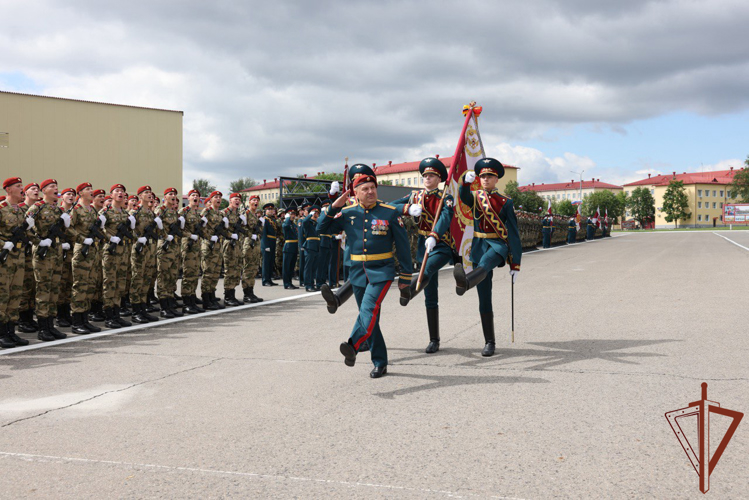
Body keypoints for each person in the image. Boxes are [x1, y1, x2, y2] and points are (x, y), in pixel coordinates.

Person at [317, 164, 413, 378]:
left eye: (373, 188)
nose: (370, 192)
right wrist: (334, 207)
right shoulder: (348, 213)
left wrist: (406, 278)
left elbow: (404, 247)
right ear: (356, 193)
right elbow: (321, 228)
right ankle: (380, 361)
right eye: (365, 189)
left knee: (368, 310)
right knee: (370, 318)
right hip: (358, 272)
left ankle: (352, 345)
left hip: (382, 272)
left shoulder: (389, 212)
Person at [453, 158, 521, 357]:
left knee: (485, 263)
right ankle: (489, 342)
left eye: (489, 176)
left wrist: (515, 263)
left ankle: (465, 281)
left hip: (498, 245)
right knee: (484, 297)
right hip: (478, 244)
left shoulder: (506, 201)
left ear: (496, 179)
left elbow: (514, 234)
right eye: (482, 176)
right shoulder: (474, 197)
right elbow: (463, 195)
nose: (485, 179)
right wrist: (465, 180)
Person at [390, 157, 455, 354]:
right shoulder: (414, 196)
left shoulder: (446, 197)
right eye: (425, 175)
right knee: (430, 294)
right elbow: (390, 206)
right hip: (422, 246)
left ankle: (408, 291)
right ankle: (434, 339)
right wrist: (407, 208)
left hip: (442, 244)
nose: (427, 178)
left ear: (439, 178)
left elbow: (445, 217)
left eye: (432, 175)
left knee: (426, 271)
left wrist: (435, 235)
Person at [68, 182, 103, 334]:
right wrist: (82, 239)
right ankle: (76, 321)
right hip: (81, 251)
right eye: (88, 189)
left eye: (91, 189)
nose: (91, 191)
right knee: (80, 286)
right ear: (80, 193)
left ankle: (85, 319)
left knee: (90, 286)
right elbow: (68, 227)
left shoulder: (93, 210)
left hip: (93, 252)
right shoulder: (75, 209)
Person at [0, 176, 31, 348]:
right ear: (9, 189)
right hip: (4, 258)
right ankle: (1, 333)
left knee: (15, 295)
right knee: (2, 295)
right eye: (18, 186)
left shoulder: (20, 211)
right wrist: (4, 244)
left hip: (18, 257)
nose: (22, 188)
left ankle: (11, 331)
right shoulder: (1, 209)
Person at [99, 183, 134, 329]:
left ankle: (117, 314)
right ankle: (109, 316)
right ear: (111, 195)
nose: (120, 193)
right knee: (110, 283)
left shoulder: (126, 214)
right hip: (111, 252)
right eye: (117, 191)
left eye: (122, 192)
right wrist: (109, 237)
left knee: (120, 283)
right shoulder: (104, 212)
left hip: (124, 251)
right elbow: (97, 230)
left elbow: (132, 235)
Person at [128, 185, 160, 323]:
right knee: (137, 279)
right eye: (146, 193)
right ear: (140, 196)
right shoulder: (134, 213)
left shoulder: (151, 213)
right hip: (139, 250)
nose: (150, 195)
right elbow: (127, 231)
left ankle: (143, 308)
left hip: (150, 250)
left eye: (151, 193)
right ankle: (136, 311)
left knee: (146, 280)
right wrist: (136, 238)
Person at [155, 187, 186, 316]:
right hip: (165, 247)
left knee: (172, 277)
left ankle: (170, 304)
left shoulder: (174, 212)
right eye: (170, 194)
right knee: (163, 276)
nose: (173, 196)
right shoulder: (160, 210)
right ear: (165, 197)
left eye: (174, 194)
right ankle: (164, 307)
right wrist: (164, 235)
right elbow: (155, 227)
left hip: (175, 248)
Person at [17, 182, 41, 334]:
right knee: (24, 287)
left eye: (37, 189)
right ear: (25, 192)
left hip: (36, 253)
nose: (36, 191)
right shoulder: (20, 210)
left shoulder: (39, 209)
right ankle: (22, 319)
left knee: (33, 286)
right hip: (23, 253)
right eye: (32, 189)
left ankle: (29, 317)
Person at [179, 189, 205, 314]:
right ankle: (186, 303)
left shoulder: (198, 213)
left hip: (197, 246)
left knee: (195, 273)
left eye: (197, 196)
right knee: (188, 273)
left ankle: (192, 298)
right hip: (188, 246)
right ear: (188, 198)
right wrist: (190, 235)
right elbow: (178, 230)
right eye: (193, 195)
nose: (195, 197)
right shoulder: (183, 212)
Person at [200, 191, 227, 310]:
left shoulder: (221, 214)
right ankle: (206, 300)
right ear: (210, 200)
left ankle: (212, 296)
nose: (218, 199)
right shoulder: (206, 211)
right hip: (208, 245)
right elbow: (199, 229)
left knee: (216, 273)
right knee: (208, 272)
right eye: (215, 197)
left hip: (218, 246)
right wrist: (209, 237)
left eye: (220, 197)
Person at [56, 187, 76, 328]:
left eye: (73, 194)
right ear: (61, 197)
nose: (71, 196)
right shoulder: (58, 212)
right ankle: (60, 315)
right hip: (61, 252)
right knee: (61, 284)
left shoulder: (74, 212)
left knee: (69, 283)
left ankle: (66, 312)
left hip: (73, 252)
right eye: (68, 194)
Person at [220, 193, 244, 306]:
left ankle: (232, 294)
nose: (237, 201)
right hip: (229, 243)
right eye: (235, 199)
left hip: (237, 243)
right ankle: (227, 296)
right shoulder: (224, 213)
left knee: (236, 268)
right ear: (230, 200)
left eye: (239, 199)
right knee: (229, 269)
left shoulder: (238, 214)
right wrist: (229, 234)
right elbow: (218, 230)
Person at [240, 195, 263, 303]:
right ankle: (246, 293)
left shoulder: (255, 215)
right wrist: (250, 234)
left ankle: (251, 291)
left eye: (257, 200)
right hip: (248, 243)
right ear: (249, 202)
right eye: (254, 200)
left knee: (254, 269)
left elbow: (259, 231)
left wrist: (261, 225)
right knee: (248, 268)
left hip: (256, 243)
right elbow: (242, 228)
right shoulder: (246, 214)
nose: (256, 202)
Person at [302, 205, 321, 292]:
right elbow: (304, 221)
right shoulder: (308, 223)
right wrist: (309, 215)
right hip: (309, 246)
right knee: (308, 267)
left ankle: (312, 284)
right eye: (314, 213)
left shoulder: (317, 223)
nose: (316, 215)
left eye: (317, 213)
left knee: (314, 267)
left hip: (316, 246)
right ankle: (308, 285)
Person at [260, 203, 279, 287]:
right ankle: (265, 280)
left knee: (271, 262)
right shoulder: (264, 219)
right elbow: (263, 234)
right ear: (265, 211)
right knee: (266, 262)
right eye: (269, 209)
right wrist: (265, 245)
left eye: (272, 209)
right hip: (267, 242)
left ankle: (269, 279)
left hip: (273, 241)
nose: (271, 211)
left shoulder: (273, 220)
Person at [281, 208, 299, 289]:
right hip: (288, 246)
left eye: (294, 214)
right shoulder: (286, 223)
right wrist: (287, 218)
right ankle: (286, 283)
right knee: (287, 266)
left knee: (291, 266)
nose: (293, 216)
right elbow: (285, 227)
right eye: (291, 214)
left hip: (294, 246)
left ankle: (290, 282)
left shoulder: (294, 225)